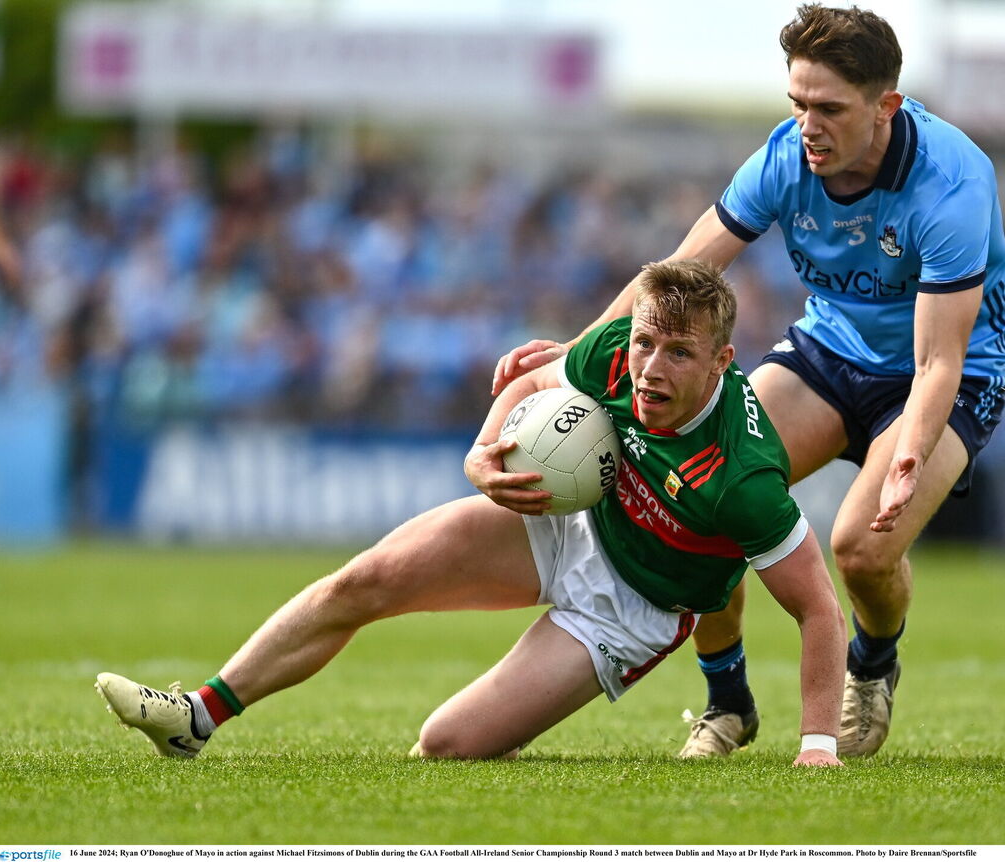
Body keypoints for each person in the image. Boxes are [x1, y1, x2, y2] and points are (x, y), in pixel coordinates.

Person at [493, 4, 1005, 759]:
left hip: (948, 377)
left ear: (886, 107)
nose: (809, 126)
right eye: (798, 103)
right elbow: (680, 273)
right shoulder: (783, 159)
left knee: (861, 550)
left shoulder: (951, 185)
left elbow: (938, 362)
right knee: (701, 497)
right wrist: (581, 345)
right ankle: (729, 701)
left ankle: (873, 663)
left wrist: (909, 453)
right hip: (829, 353)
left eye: (829, 109)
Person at [95, 259, 848, 767]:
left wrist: (818, 745)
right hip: (569, 516)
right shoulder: (619, 351)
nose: (651, 367)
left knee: (446, 745)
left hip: (632, 605)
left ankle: (694, 701)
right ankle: (196, 716)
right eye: (646, 343)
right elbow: (533, 385)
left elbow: (817, 607)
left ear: (721, 362)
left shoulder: (744, 479)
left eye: (678, 353)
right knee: (365, 580)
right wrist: (483, 454)